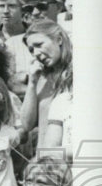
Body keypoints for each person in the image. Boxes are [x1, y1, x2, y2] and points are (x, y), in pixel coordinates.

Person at [21, 19, 73, 154]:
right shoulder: (41, 78)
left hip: (73, 159)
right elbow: (27, 124)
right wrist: (32, 83)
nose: (36, 53)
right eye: (31, 50)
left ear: (59, 40)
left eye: (39, 45)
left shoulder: (80, 74)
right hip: (46, 163)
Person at [0, 0, 34, 97]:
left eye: (12, 6)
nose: (6, 11)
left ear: (22, 9)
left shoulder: (34, 38)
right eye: (1, 6)